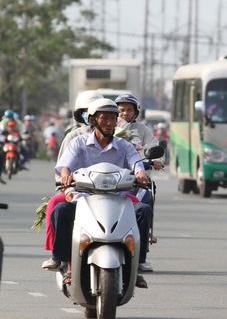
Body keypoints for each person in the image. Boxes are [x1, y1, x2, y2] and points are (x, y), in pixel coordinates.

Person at [45, 99, 152, 288]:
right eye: (105, 118)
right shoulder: (78, 143)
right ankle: (66, 264)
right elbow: (64, 166)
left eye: (113, 118)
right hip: (83, 198)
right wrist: (65, 176)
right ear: (93, 120)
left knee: (143, 210)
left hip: (117, 198)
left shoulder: (124, 146)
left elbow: (136, 162)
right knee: (60, 210)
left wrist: (140, 173)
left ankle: (137, 266)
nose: (109, 123)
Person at [41, 91, 104, 264]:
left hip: (111, 190)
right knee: (55, 205)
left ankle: (137, 259)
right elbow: (63, 167)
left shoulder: (117, 137)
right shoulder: (74, 137)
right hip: (79, 190)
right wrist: (67, 186)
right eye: (88, 112)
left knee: (140, 208)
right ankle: (58, 255)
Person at [114, 93, 163, 272]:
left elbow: (154, 148)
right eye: (121, 110)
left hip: (137, 180)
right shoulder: (110, 130)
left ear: (135, 112)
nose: (124, 114)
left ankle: (141, 255)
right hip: (112, 179)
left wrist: (157, 160)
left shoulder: (143, 131)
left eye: (128, 110)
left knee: (146, 199)